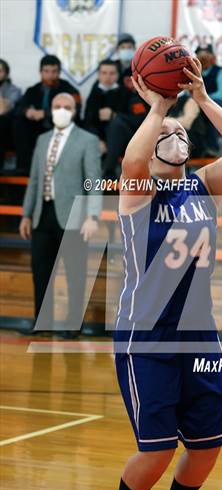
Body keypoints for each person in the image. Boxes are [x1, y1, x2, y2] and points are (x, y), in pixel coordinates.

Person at [101, 56, 222, 490]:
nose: (174, 134)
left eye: (179, 131)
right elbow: (131, 162)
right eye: (164, 133)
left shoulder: (203, 188)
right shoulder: (138, 193)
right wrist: (159, 108)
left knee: (209, 444)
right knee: (158, 448)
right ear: (150, 145)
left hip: (198, 334)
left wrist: (202, 100)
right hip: (146, 335)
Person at [19, 93, 102, 337]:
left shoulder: (87, 140)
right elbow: (34, 180)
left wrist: (92, 216)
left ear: (74, 111)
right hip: (42, 213)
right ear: (51, 109)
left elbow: (93, 181)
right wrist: (26, 214)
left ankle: (73, 325)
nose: (62, 110)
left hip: (74, 215)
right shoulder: (42, 139)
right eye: (57, 106)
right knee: (40, 271)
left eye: (67, 107)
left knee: (75, 273)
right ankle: (42, 321)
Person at [13, 55, 81, 174]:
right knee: (18, 122)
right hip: (36, 129)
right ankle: (24, 168)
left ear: (59, 73)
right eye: (46, 71)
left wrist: (46, 113)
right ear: (40, 72)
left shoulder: (69, 90)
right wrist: (27, 111)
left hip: (57, 127)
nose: (50, 75)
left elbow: (75, 110)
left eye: (54, 71)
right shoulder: (32, 90)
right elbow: (19, 108)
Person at [84, 59, 128, 153]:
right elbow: (88, 120)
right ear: (98, 75)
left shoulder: (125, 93)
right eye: (104, 73)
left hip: (120, 141)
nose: (108, 77)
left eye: (112, 73)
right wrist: (98, 140)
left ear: (118, 75)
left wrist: (114, 115)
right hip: (97, 139)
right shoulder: (94, 92)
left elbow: (135, 120)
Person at [0, 59, 21, 170]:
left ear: (6, 73)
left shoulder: (14, 90)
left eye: (0, 71)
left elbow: (2, 110)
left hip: (6, 131)